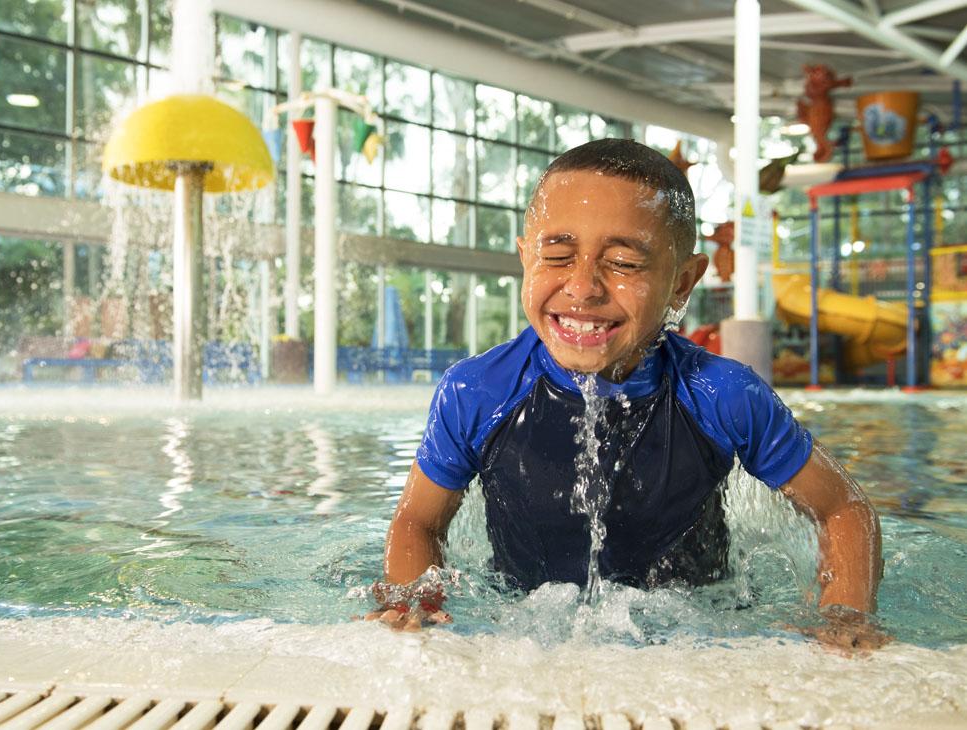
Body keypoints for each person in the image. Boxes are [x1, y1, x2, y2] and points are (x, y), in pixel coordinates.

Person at [368, 139, 886, 651]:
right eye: (557, 255)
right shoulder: (477, 390)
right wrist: (416, 598)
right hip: (526, 629)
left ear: (683, 282)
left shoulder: (721, 394)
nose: (583, 286)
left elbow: (843, 506)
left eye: (624, 263)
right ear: (525, 258)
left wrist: (844, 609)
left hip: (701, 630)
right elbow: (419, 520)